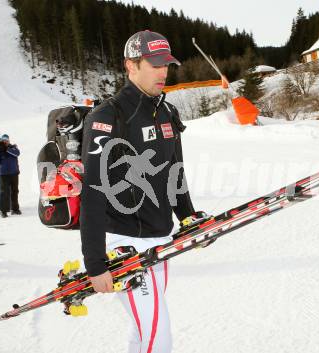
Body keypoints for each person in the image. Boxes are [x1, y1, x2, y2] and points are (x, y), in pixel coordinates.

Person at [81, 30, 206, 353]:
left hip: (159, 239)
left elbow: (174, 175)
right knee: (158, 338)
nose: (164, 72)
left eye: (167, 64)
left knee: (143, 332)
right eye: (155, 64)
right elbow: (93, 194)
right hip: (124, 244)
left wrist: (190, 219)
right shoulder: (107, 117)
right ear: (131, 66)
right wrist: (95, 263)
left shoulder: (167, 113)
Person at [0, 134, 21, 217]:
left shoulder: (13, 147)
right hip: (3, 174)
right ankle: (3, 211)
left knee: (15, 191)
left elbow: (17, 154)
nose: (5, 142)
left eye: (7, 140)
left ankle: (15, 209)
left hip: (14, 173)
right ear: (2, 141)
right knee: (4, 192)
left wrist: (7, 149)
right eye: (4, 141)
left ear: (9, 141)